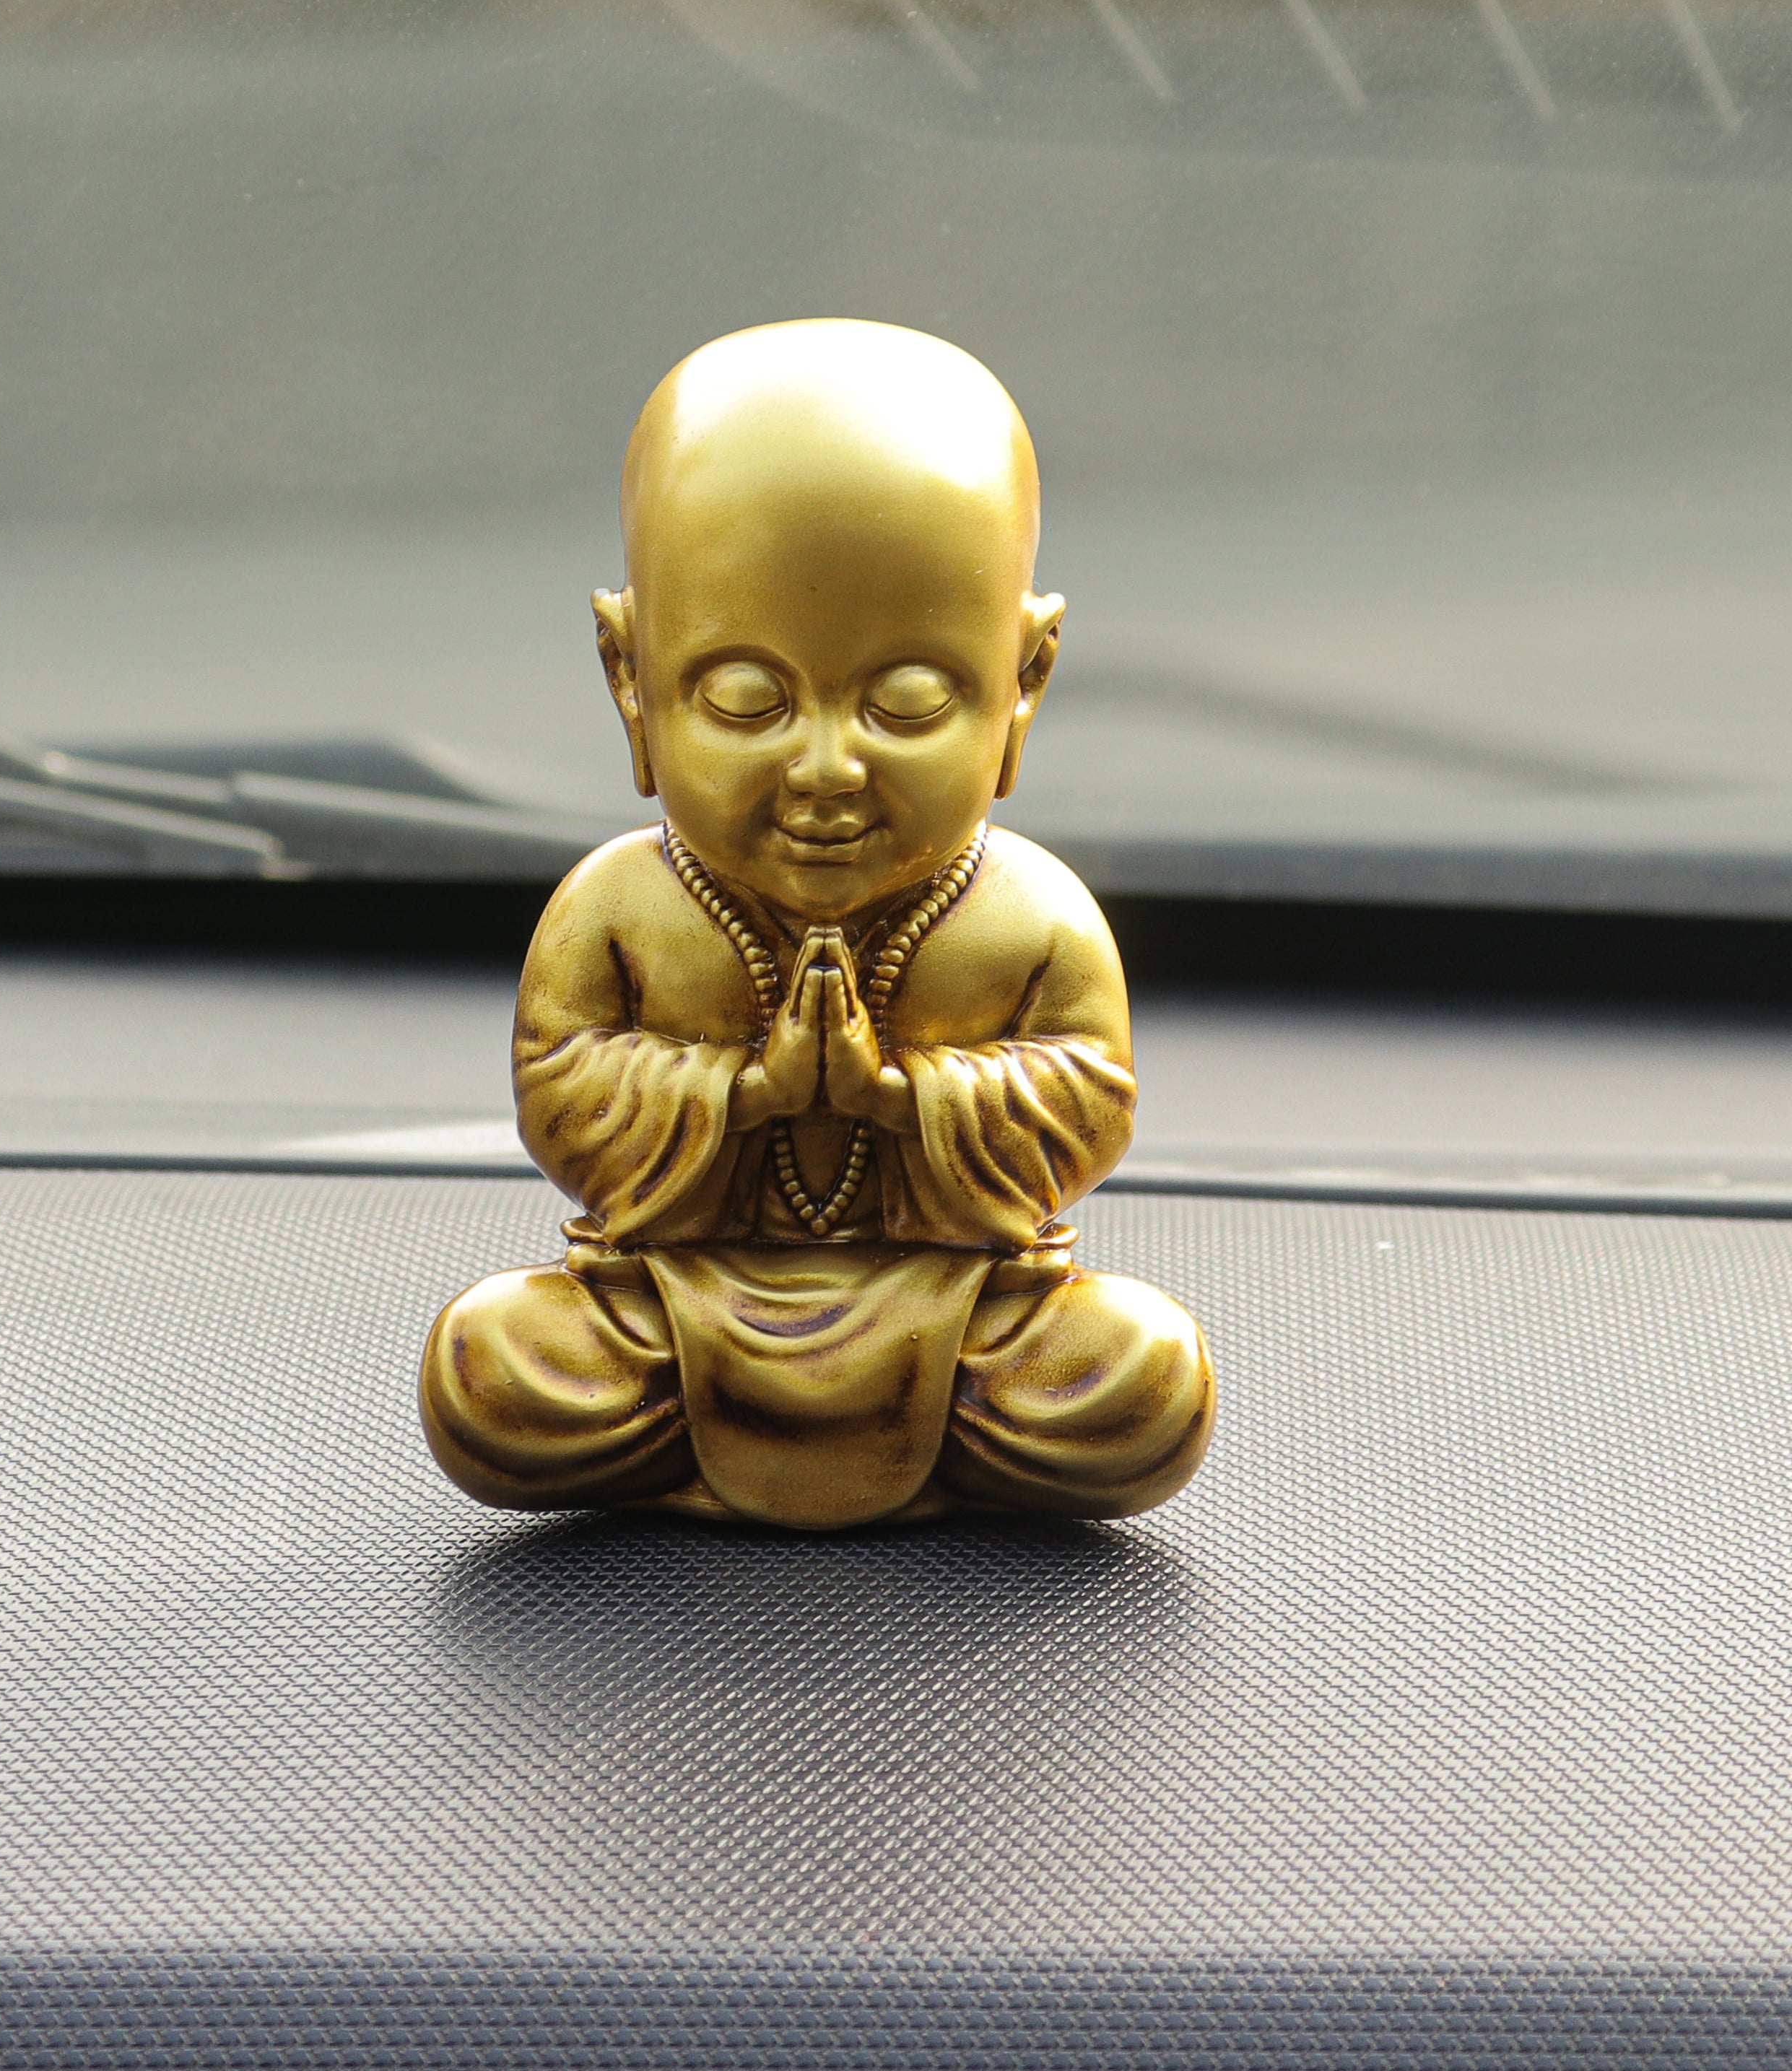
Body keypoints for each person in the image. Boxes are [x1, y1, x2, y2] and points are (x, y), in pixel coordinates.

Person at [420, 318, 1214, 1528]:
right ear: (628, 674)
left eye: (907, 700)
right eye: (747, 698)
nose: (827, 766)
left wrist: (900, 1101)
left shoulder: (1032, 917)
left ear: (1027, 678)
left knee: (1136, 1377)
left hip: (958, 1307)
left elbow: (1087, 1098)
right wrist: (749, 1094)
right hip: (679, 1298)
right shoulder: (619, 907)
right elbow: (562, 1091)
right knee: (499, 1368)